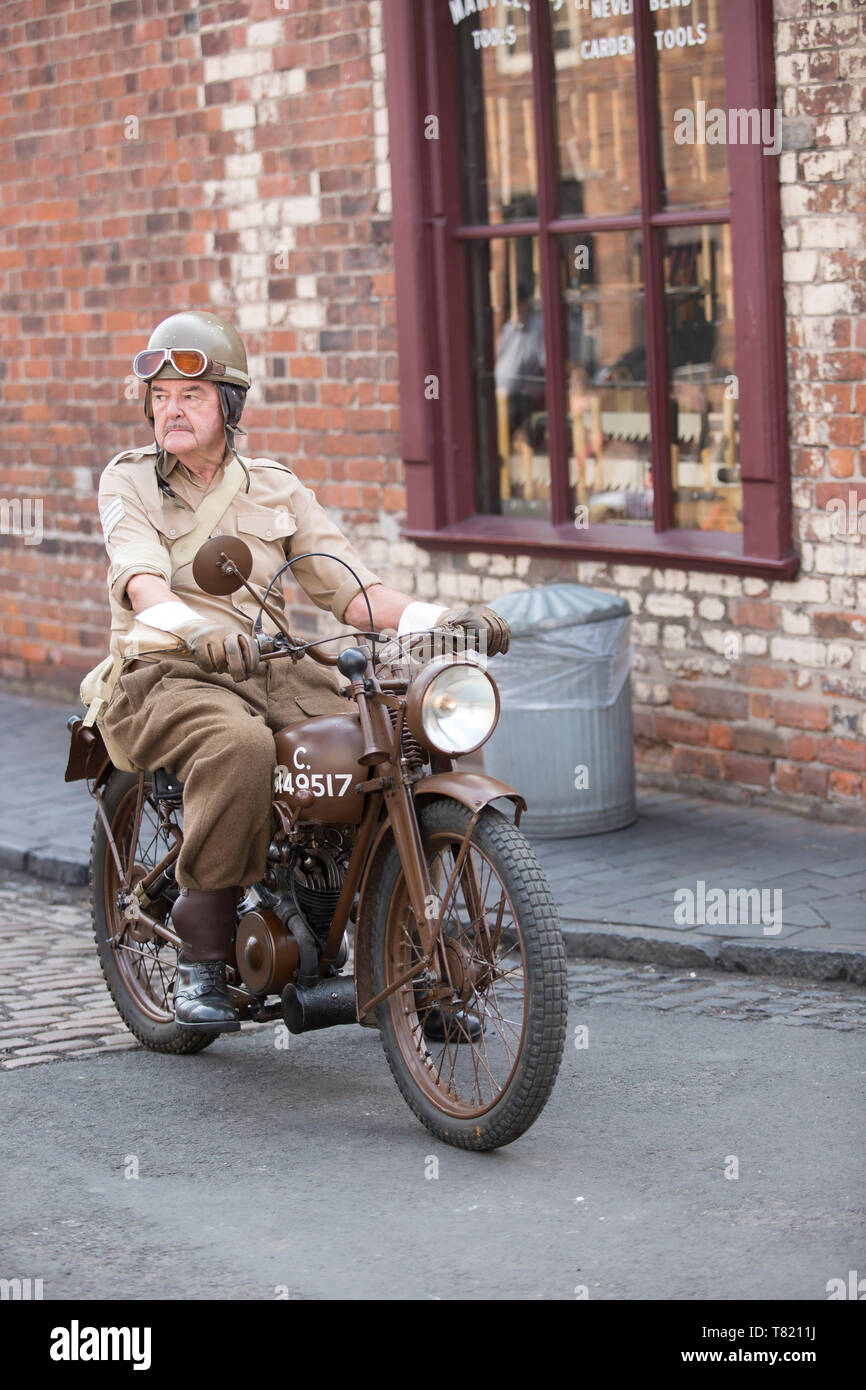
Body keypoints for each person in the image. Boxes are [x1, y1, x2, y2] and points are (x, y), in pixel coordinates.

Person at [97, 310, 510, 1032]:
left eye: (189, 397)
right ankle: (202, 962)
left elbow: (351, 592)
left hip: (271, 666)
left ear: (228, 404)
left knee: (390, 738)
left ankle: (414, 955)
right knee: (241, 748)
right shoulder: (131, 483)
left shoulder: (276, 487)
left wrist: (441, 620)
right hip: (167, 672)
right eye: (160, 397)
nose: (170, 410)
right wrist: (197, 630)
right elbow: (142, 586)